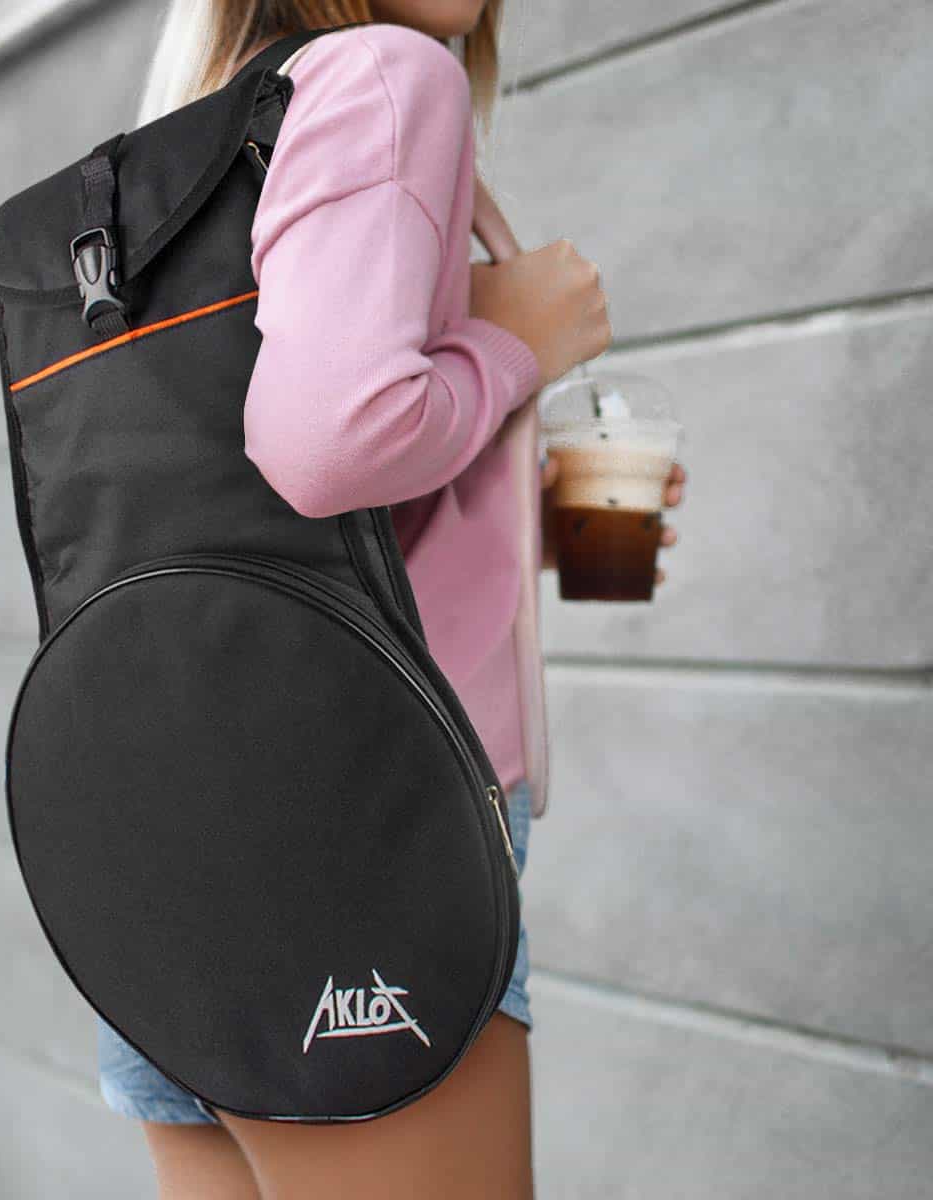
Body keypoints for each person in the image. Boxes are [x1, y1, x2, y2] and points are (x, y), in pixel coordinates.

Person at [98, 2, 688, 1196]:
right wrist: (517, 343)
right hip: (367, 831)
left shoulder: (203, 128)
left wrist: (506, 500)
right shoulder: (385, 75)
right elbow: (323, 444)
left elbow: (253, 486)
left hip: (155, 834)